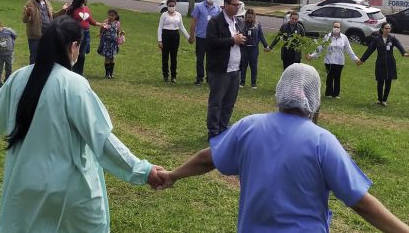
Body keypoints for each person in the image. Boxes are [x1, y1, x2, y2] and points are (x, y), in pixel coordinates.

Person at [157, 63, 409, 233]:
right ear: (314, 98)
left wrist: (172, 175)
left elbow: (207, 159)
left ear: (280, 90)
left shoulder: (248, 127)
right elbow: (360, 203)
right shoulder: (322, 141)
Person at [0, 16, 164, 233]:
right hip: (66, 196)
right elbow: (102, 141)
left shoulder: (18, 79)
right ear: (73, 46)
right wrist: (144, 170)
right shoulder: (73, 84)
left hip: (23, 189)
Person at [206, 0, 246, 139]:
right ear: (226, 5)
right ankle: (213, 132)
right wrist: (232, 40)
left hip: (235, 69)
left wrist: (242, 40)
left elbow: (239, 40)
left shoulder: (238, 21)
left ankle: (223, 129)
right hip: (220, 69)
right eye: (235, 5)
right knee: (216, 102)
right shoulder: (215, 21)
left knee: (229, 103)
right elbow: (211, 42)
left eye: (238, 5)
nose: (237, 7)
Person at [357, 22, 409, 106]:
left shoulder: (392, 38)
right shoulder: (377, 39)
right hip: (380, 63)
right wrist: (362, 60)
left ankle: (384, 100)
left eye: (389, 28)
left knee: (388, 82)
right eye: (386, 28)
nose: (388, 30)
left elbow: (400, 47)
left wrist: (404, 53)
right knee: (380, 82)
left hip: (390, 63)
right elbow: (370, 50)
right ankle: (379, 99)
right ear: (382, 29)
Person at [306, 21, 361, 98]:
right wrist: (312, 56)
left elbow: (349, 50)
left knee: (337, 77)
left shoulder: (344, 38)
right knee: (329, 76)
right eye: (334, 26)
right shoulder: (327, 37)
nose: (336, 28)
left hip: (340, 61)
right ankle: (328, 93)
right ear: (332, 27)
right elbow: (320, 48)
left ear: (340, 28)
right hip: (329, 60)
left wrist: (356, 59)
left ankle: (336, 94)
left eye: (337, 27)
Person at [22, 0, 68, 64]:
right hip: (35, 37)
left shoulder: (48, 3)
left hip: (48, 35)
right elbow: (25, 20)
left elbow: (53, 16)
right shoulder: (29, 4)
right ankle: (33, 75)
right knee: (34, 58)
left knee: (47, 57)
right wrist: (28, 14)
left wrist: (63, 10)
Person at [189, 0, 221, 85]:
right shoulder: (199, 7)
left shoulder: (217, 8)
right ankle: (199, 78)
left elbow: (219, 23)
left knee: (211, 59)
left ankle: (209, 78)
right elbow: (194, 21)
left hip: (212, 38)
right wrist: (192, 35)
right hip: (201, 37)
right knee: (200, 59)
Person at [66, 0, 103, 76]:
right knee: (75, 53)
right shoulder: (72, 8)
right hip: (76, 33)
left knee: (82, 54)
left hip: (86, 34)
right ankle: (73, 71)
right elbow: (67, 20)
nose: (87, 0)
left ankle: (80, 72)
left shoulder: (86, 8)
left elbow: (90, 20)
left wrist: (100, 24)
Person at [157, 0, 190, 83]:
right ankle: (165, 75)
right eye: (169, 6)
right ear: (167, 6)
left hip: (175, 35)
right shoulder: (164, 15)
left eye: (173, 6)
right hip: (166, 35)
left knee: (173, 57)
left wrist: (188, 37)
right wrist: (159, 40)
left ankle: (173, 76)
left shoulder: (178, 15)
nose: (171, 7)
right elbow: (160, 28)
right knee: (165, 56)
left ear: (175, 6)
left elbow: (181, 27)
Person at [239, 8, 269, 89]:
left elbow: (261, 35)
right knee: (243, 65)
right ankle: (242, 82)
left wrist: (265, 45)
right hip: (244, 48)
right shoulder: (242, 24)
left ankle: (253, 83)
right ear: (246, 16)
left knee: (253, 66)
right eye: (248, 17)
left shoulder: (257, 25)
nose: (249, 19)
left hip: (254, 49)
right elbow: (239, 34)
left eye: (251, 17)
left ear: (254, 17)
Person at [97, 9, 121, 79]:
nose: (110, 17)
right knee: (107, 58)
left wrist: (119, 39)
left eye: (112, 15)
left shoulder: (117, 23)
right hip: (106, 43)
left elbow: (118, 32)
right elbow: (101, 30)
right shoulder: (106, 22)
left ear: (115, 16)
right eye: (109, 15)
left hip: (114, 43)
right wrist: (101, 30)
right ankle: (107, 74)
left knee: (112, 58)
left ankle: (111, 73)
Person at [0, 19, 17, 89]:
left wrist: (11, 44)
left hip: (9, 54)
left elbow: (14, 36)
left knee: (9, 68)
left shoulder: (8, 30)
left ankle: (7, 81)